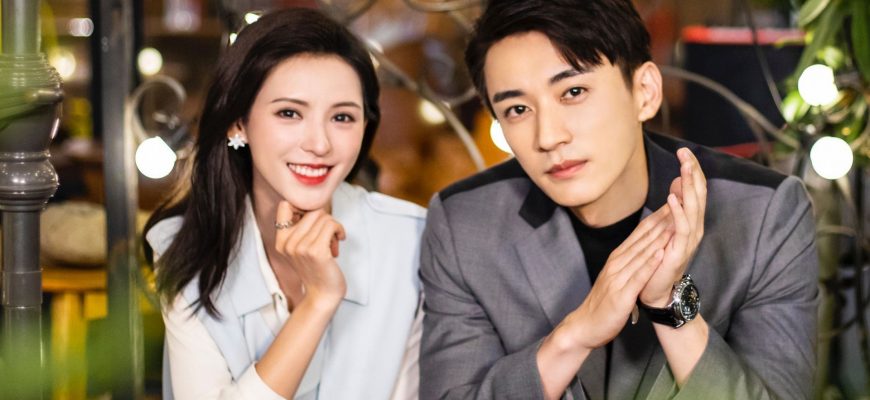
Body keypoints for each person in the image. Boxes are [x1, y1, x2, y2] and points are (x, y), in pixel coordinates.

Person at [419, 0, 819, 399]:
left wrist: (670, 303)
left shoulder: (763, 214)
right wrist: (574, 337)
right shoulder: (464, 226)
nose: (548, 137)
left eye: (573, 91)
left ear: (645, 92)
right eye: (517, 109)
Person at [144, 8, 425, 400]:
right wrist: (318, 303)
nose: (320, 144)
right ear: (238, 122)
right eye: (289, 113)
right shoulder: (186, 245)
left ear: (365, 125)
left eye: (342, 117)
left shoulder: (411, 240)